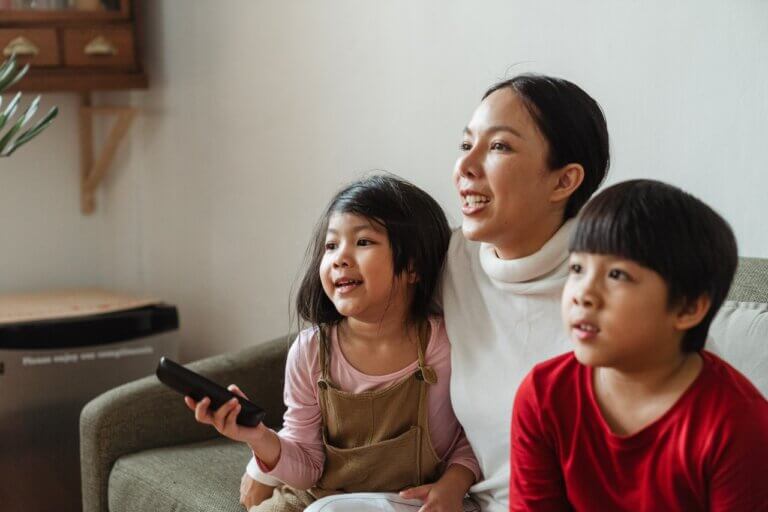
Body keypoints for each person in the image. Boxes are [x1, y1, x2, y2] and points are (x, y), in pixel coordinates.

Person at [242, 74, 611, 512]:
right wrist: (262, 462)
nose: (465, 166)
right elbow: (366, 316)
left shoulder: (615, 288)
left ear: (563, 181)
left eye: (499, 146)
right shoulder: (451, 262)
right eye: (466, 144)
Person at [187, 174, 481, 512]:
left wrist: (453, 484)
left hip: (411, 502)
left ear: (413, 266)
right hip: (322, 496)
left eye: (363, 241)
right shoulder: (310, 352)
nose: (340, 258)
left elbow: (474, 437)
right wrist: (257, 437)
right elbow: (307, 467)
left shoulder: (442, 345)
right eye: (331, 245)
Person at [509, 180, 768, 511]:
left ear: (688, 308)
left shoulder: (738, 424)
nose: (583, 294)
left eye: (617, 275)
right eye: (577, 268)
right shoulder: (543, 395)